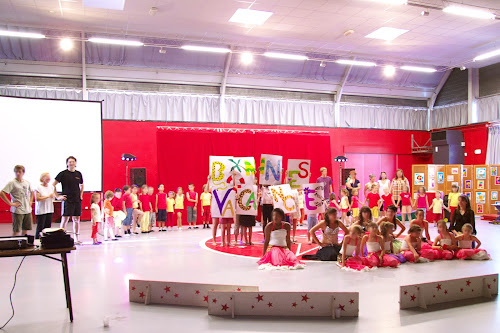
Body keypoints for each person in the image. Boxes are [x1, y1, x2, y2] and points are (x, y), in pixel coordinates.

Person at [53, 156, 83, 244]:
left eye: (73, 162)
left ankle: (76, 238)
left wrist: (80, 195)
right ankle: (61, 238)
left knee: (76, 219)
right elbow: (53, 185)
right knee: (65, 219)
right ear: (67, 163)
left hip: (76, 199)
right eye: (70, 162)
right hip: (67, 199)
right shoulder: (63, 174)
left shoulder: (78, 174)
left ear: (75, 163)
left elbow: (82, 185)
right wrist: (58, 196)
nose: (71, 163)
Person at [0, 165, 34, 236]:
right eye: (16, 172)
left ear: (23, 173)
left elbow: (32, 192)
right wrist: (11, 203)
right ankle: (14, 243)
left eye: (19, 172)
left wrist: (30, 201)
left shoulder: (27, 182)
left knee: (25, 229)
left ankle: (23, 243)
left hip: (27, 209)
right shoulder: (12, 183)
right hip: (18, 210)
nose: (18, 173)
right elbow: (2, 193)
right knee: (17, 230)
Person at [34, 173, 58, 239]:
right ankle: (37, 240)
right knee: (40, 227)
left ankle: (46, 241)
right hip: (41, 210)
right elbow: (37, 198)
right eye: (47, 178)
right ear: (42, 178)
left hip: (49, 209)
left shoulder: (51, 187)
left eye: (49, 178)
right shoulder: (38, 187)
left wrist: (54, 197)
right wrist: (48, 196)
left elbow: (53, 197)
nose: (48, 179)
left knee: (48, 227)